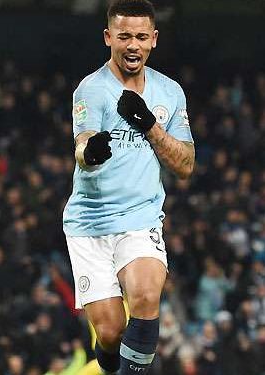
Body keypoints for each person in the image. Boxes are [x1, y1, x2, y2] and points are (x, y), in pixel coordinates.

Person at [61, 0, 195, 373]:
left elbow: (185, 165)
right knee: (109, 332)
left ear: (153, 39)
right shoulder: (91, 89)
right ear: (108, 38)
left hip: (141, 217)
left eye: (140, 36)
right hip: (89, 224)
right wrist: (94, 150)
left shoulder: (170, 93)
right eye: (124, 36)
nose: (132, 44)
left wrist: (150, 127)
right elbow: (82, 146)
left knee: (147, 297)